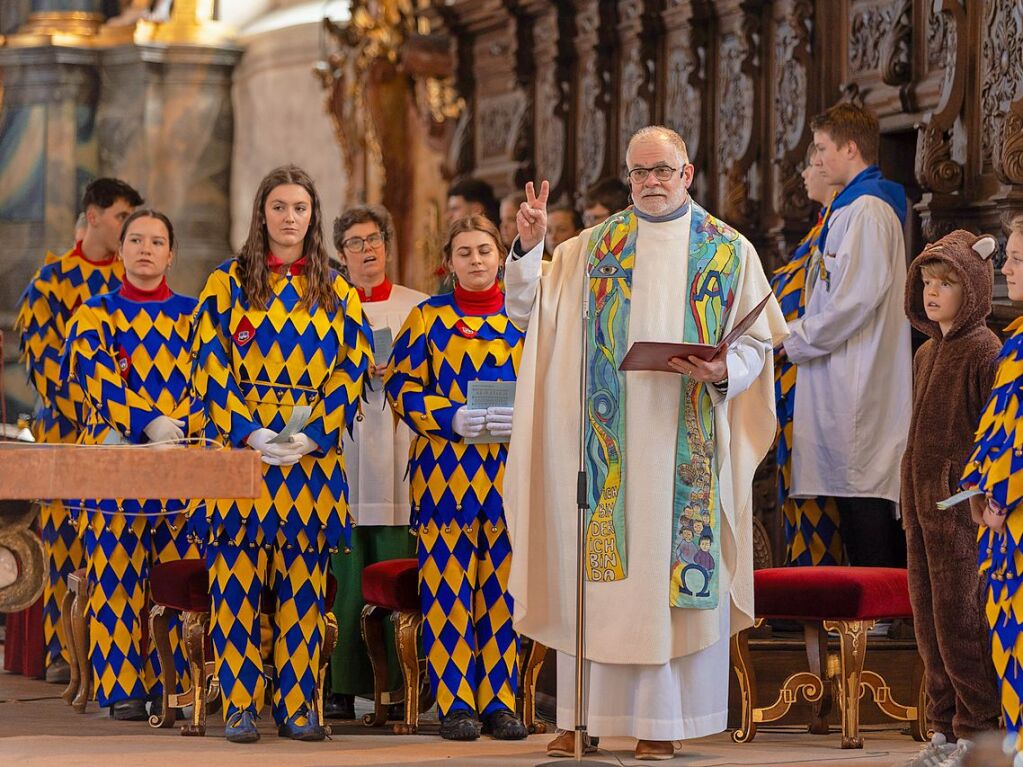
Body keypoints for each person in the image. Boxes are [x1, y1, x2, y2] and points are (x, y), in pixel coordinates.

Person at [503, 125, 787, 761]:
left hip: (684, 445)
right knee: (599, 574)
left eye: (663, 171)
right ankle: (583, 719)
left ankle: (665, 723)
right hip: (605, 450)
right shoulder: (590, 249)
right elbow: (530, 312)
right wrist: (528, 247)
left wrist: (723, 371)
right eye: (639, 172)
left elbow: (758, 347)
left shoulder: (728, 250)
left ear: (688, 174)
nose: (650, 183)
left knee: (667, 576)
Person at [190, 165, 372, 743]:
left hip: (311, 460)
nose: (289, 218)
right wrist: (249, 432)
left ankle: (298, 706)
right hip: (243, 457)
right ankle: (241, 704)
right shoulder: (227, 282)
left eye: (300, 208)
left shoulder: (336, 286)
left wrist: (316, 433)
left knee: (302, 591)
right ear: (261, 213)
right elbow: (208, 363)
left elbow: (353, 364)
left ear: (313, 215)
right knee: (236, 587)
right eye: (279, 207)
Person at [384, 214, 528, 742]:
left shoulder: (524, 317)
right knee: (446, 590)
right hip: (445, 473)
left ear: (500, 256)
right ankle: (456, 702)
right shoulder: (427, 318)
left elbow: (549, 380)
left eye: (485, 250)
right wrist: (451, 417)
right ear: (449, 262)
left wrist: (527, 413)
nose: (476, 260)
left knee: (502, 591)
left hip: (509, 474)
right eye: (464, 252)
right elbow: (399, 386)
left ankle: (500, 701)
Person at [61, 209, 202, 720]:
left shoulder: (197, 313)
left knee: (177, 580)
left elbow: (211, 379)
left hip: (183, 465)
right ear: (120, 250)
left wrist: (180, 425)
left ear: (171, 253)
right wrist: (150, 424)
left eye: (157, 241)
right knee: (116, 578)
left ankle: (178, 685)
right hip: (116, 465)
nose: (146, 248)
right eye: (135, 240)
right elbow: (97, 380)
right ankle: (122, 688)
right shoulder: (93, 313)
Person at [16, 177, 143, 683]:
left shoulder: (129, 281)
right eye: (120, 217)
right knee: (63, 543)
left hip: (125, 440)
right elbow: (45, 367)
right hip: (67, 435)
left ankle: (121, 657)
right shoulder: (49, 281)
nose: (127, 228)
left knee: (115, 544)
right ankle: (60, 652)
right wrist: (105, 413)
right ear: (93, 216)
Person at [783, 102, 910, 567]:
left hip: (860, 375)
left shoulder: (870, 211)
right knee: (848, 487)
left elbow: (855, 300)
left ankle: (878, 618)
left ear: (850, 148)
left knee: (864, 490)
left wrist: (792, 337)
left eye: (821, 148)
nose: (815, 159)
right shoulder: (849, 208)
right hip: (836, 372)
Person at [899, 230, 1002, 767]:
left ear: (976, 290)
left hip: (961, 513)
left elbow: (996, 434)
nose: (932, 293)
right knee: (929, 623)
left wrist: (978, 495)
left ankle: (978, 730)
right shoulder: (925, 354)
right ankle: (940, 729)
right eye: (926, 283)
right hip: (920, 513)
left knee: (963, 621)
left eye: (946, 283)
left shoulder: (985, 350)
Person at [324, 204, 426, 720]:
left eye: (374, 241)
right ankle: (339, 684)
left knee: (396, 565)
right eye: (356, 244)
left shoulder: (419, 307)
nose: (367, 251)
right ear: (340, 256)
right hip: (344, 451)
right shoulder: (323, 308)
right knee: (344, 574)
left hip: (400, 449)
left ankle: (400, 688)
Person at [961, 213, 1023, 758]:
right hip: (1001, 518)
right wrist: (979, 485)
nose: (1006, 267)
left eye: (1018, 259)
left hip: (1017, 518)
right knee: (1006, 643)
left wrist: (1002, 493)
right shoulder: (1016, 340)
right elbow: (994, 427)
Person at [772, 145, 846, 566]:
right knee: (794, 486)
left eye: (813, 162)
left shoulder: (844, 220)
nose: (803, 174)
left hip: (807, 372)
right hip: (791, 370)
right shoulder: (821, 225)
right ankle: (803, 579)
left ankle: (815, 582)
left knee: (814, 497)